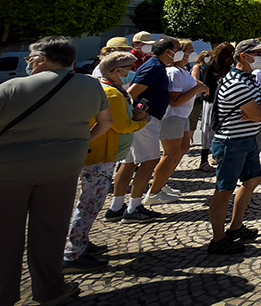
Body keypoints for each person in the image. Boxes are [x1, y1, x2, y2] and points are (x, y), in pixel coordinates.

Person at [0, 37, 112, 306]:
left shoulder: (12, 87)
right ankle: (50, 290)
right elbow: (106, 123)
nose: (28, 62)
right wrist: (81, 142)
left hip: (9, 170)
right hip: (64, 167)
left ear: (40, 59)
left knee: (5, 235)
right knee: (51, 231)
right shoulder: (90, 85)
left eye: (30, 58)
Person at [64, 52, 148, 273]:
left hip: (102, 155)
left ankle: (81, 242)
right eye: (130, 67)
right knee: (89, 205)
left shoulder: (107, 87)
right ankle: (73, 254)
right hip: (100, 157)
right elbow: (120, 125)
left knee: (89, 203)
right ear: (116, 70)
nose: (133, 71)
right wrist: (142, 123)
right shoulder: (110, 93)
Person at [207, 39, 261, 255]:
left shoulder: (250, 79)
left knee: (253, 179)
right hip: (231, 141)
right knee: (223, 191)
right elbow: (260, 114)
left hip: (247, 139)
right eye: (258, 53)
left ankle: (235, 226)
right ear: (244, 56)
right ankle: (218, 239)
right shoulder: (236, 82)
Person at [108, 37, 179, 222]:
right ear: (168, 51)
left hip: (145, 120)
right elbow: (132, 92)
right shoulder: (154, 66)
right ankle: (134, 208)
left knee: (129, 163)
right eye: (177, 49)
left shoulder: (154, 65)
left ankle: (116, 207)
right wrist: (138, 112)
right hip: (146, 121)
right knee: (149, 161)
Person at [146, 40, 208, 205]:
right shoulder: (173, 71)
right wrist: (198, 88)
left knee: (183, 148)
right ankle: (153, 192)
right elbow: (175, 100)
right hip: (172, 116)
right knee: (169, 154)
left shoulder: (182, 70)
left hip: (182, 116)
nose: (193, 54)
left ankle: (162, 183)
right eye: (190, 50)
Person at [198, 43, 235, 173]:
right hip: (210, 103)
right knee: (207, 130)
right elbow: (207, 87)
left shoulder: (228, 68)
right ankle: (203, 160)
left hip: (223, 103)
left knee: (219, 130)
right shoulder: (210, 67)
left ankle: (216, 156)